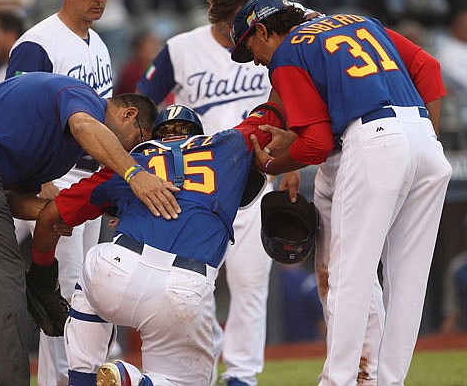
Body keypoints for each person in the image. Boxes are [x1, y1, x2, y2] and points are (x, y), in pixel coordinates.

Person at [230, 0, 452, 386]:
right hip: (424, 141)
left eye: (252, 50)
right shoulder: (359, 21)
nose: (258, 62)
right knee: (408, 281)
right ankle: (390, 381)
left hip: (374, 141)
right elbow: (428, 67)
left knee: (350, 274)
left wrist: (269, 165)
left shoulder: (288, 53)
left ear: (262, 30)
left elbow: (314, 143)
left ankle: (336, 381)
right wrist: (423, 140)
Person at [0, 72, 178, 386]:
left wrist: (51, 214)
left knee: (2, 284)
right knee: (2, 284)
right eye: (136, 141)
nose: (129, 153)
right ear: (128, 115)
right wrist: (134, 173)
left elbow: (8, 199)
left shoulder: (62, 155)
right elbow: (84, 126)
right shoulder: (84, 96)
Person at [28, 102, 287, 385]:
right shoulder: (226, 145)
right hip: (183, 287)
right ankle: (133, 381)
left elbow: (50, 217)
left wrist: (41, 273)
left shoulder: (128, 163)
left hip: (116, 269)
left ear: (154, 136)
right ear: (197, 133)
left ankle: (83, 378)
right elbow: (273, 111)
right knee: (179, 381)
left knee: (89, 285)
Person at [136, 0, 299, 384]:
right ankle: (203, 363)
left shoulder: (274, 42)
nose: (232, 31)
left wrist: (296, 157)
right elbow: (139, 106)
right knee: (192, 281)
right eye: (226, 23)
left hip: (258, 177)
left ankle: (242, 374)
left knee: (250, 282)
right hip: (200, 186)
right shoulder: (181, 48)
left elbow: (296, 97)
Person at [5, 0, 116, 384]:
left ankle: (81, 375)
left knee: (91, 290)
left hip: (93, 178)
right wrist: (41, 182)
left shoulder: (98, 43)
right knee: (62, 294)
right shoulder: (38, 43)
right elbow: (15, 114)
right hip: (60, 176)